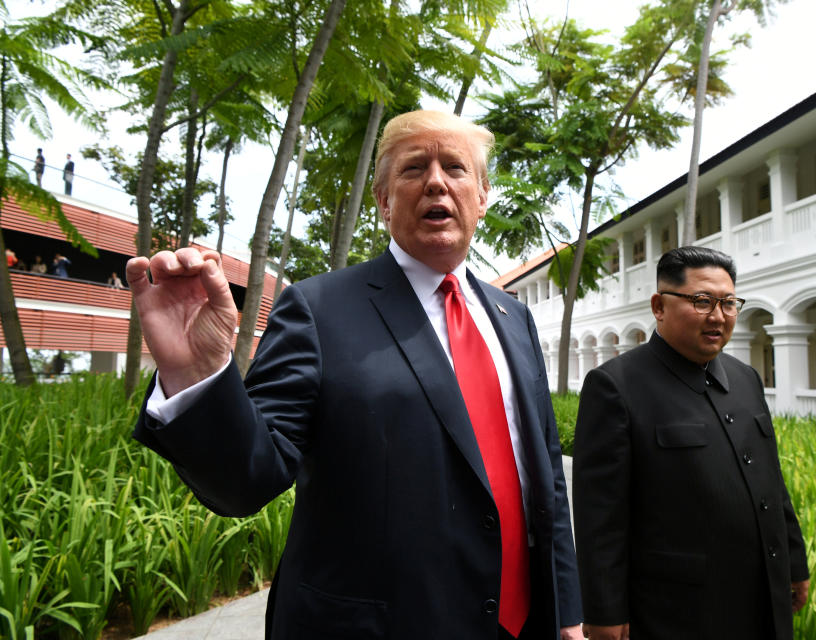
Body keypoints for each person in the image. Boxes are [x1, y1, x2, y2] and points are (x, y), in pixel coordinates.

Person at [128, 110, 583, 640]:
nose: (436, 180)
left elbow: (545, 475)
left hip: (521, 625)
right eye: (414, 169)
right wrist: (198, 373)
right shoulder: (317, 309)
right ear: (384, 200)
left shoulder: (514, 316)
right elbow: (247, 482)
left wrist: (566, 612)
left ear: (481, 196)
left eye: (455, 167)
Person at [573, 246, 809, 640]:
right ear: (659, 306)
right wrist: (604, 612)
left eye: (729, 303)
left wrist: (794, 563)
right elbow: (601, 516)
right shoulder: (616, 386)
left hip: (762, 596)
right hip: (678, 610)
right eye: (702, 301)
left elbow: (771, 481)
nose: (718, 316)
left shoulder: (746, 378)